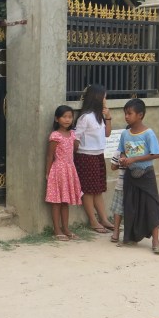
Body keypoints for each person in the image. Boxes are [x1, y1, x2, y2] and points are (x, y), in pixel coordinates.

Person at [117, 98, 159, 254]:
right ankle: (130, 237)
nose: (126, 116)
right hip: (130, 175)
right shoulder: (125, 134)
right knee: (129, 206)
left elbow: (156, 154)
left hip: (146, 175)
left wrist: (134, 159)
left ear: (140, 115)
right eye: (125, 113)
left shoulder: (148, 133)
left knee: (152, 207)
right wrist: (124, 158)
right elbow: (122, 151)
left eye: (129, 113)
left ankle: (156, 241)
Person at [73, 84, 114, 233]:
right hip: (86, 156)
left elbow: (107, 134)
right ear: (97, 98)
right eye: (104, 97)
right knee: (88, 190)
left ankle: (104, 219)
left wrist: (108, 117)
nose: (105, 100)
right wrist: (74, 157)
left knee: (98, 190)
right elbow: (76, 138)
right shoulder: (85, 117)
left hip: (98, 155)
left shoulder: (99, 116)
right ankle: (93, 221)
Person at [45, 105, 82, 241]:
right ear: (57, 119)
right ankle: (57, 229)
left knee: (65, 201)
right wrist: (47, 173)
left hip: (69, 170)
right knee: (56, 202)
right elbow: (49, 156)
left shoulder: (72, 134)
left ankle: (66, 229)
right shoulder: (55, 136)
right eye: (64, 117)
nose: (67, 120)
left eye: (70, 117)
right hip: (58, 170)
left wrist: (76, 139)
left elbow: (75, 150)